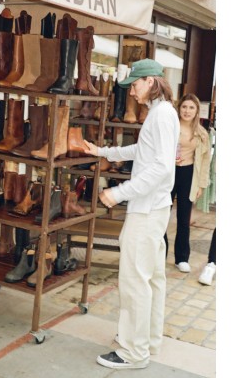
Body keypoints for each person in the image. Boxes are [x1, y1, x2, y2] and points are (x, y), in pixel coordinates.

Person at [84, 58, 180, 370]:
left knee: (134, 282)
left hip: (147, 210)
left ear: (151, 81)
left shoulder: (162, 116)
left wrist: (118, 192)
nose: (132, 92)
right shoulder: (160, 114)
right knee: (151, 279)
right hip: (155, 209)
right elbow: (142, 152)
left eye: (136, 85)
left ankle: (132, 352)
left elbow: (161, 168)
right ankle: (147, 342)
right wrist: (103, 152)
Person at [165, 94, 211, 273]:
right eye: (184, 107)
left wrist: (200, 185)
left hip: (189, 174)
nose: (187, 111)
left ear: (197, 111)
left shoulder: (201, 133)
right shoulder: (171, 127)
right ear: (179, 108)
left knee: (184, 219)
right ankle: (159, 254)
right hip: (168, 173)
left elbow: (205, 160)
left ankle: (182, 258)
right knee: (162, 214)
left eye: (191, 108)